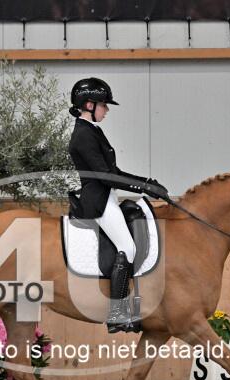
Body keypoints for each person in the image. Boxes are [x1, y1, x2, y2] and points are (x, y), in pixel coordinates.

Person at [67, 77, 168, 333]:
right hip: (97, 201)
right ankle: (117, 314)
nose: (107, 110)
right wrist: (142, 187)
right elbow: (105, 176)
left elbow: (114, 172)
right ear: (89, 105)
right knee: (128, 247)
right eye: (103, 105)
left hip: (106, 196)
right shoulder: (83, 135)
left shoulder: (92, 130)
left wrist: (146, 183)